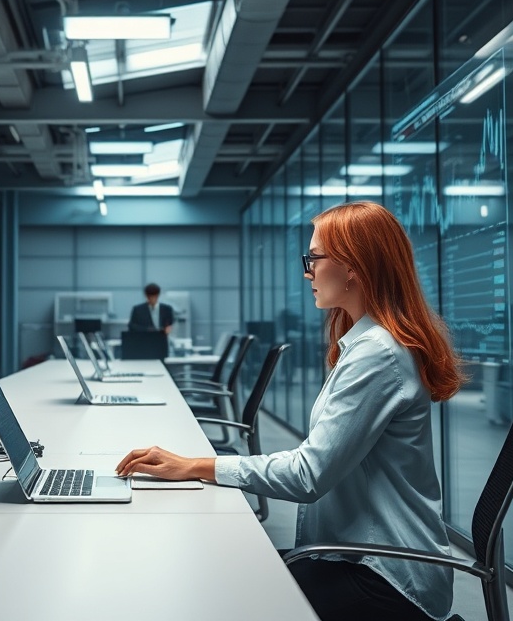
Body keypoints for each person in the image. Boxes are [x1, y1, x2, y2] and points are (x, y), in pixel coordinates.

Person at [116, 202, 463, 621]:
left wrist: (195, 466)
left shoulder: (379, 355)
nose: (307, 271)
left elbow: (307, 475)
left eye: (314, 258)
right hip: (360, 556)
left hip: (386, 576)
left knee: (206, 588)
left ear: (353, 266)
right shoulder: (370, 345)